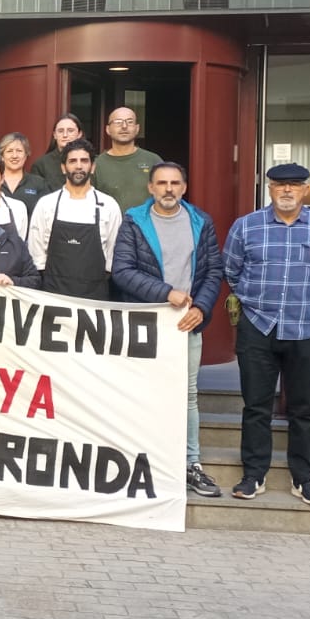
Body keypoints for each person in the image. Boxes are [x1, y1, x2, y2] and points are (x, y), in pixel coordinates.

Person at [223, 163, 310, 506]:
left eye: (294, 185)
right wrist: (254, 302)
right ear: (270, 189)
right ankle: (253, 475)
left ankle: (304, 479)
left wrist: (304, 299)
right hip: (258, 326)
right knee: (256, 405)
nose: (287, 191)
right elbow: (231, 269)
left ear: (306, 190)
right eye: (280, 186)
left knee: (304, 408)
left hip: (306, 327)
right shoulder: (247, 226)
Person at [111, 164, 224, 498]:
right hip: (146, 322)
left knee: (187, 395)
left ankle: (191, 464)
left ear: (185, 187)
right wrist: (165, 293)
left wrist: (200, 308)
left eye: (175, 183)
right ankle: (141, 462)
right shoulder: (133, 220)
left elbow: (214, 271)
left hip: (186, 324)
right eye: (161, 183)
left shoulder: (201, 222)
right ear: (150, 188)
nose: (168, 189)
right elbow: (122, 270)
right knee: (140, 392)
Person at [28, 139, 123, 300]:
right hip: (53, 294)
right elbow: (36, 253)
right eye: (72, 161)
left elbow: (113, 254)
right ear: (63, 168)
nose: (78, 166)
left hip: (95, 295)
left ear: (93, 167)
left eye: (84, 161)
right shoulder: (46, 204)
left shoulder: (109, 205)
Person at [92, 106, 165, 212]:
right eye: (118, 122)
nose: (124, 126)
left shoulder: (153, 160)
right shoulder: (97, 164)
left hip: (146, 226)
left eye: (130, 122)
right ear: (108, 129)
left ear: (137, 128)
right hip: (110, 227)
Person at [0, 132, 48, 219]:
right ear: (2, 156)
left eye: (19, 151)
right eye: (9, 151)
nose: (14, 156)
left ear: (26, 155)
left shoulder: (39, 183)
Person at [32, 113, 85, 192]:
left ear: (79, 134)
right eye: (60, 131)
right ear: (54, 135)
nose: (65, 135)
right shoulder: (41, 164)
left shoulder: (89, 161)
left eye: (70, 131)